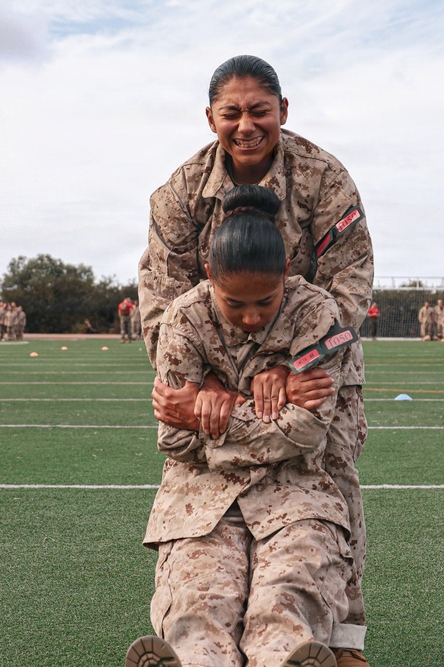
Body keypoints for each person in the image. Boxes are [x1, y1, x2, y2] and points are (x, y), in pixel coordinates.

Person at [137, 55, 373, 666]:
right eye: (231, 112)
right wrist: (208, 377)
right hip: (209, 354)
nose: (246, 125)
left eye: (259, 111)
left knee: (333, 477)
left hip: (314, 353)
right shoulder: (180, 194)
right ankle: (198, 637)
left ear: (283, 112)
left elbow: (351, 282)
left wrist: (294, 363)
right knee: (198, 485)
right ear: (211, 118)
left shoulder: (324, 178)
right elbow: (163, 303)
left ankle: (340, 640)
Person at [128, 185, 353, 667]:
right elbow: (172, 437)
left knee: (288, 596)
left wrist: (217, 416)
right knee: (199, 603)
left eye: (266, 302)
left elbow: (308, 431)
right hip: (201, 497)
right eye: (234, 304)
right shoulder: (183, 318)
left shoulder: (317, 314)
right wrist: (266, 410)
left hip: (296, 493)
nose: (251, 318)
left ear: (287, 275)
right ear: (210, 275)